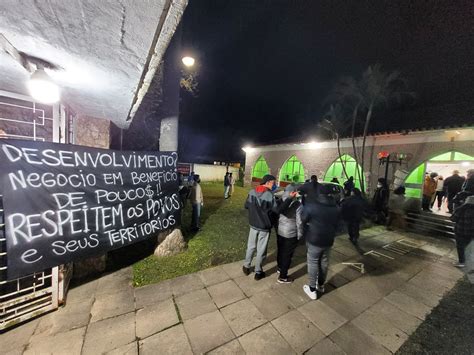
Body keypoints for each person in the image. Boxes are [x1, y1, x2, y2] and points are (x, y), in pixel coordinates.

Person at [297, 184, 341, 300]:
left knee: (313, 262)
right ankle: (321, 285)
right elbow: (338, 225)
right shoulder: (336, 207)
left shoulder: (313, 206)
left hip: (314, 238)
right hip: (328, 239)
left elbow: (303, 218)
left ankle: (312, 289)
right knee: (324, 262)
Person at [243, 174, 278, 280]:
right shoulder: (270, 196)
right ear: (267, 182)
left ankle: (246, 266)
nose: (274, 185)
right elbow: (276, 211)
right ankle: (258, 272)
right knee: (261, 249)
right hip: (264, 226)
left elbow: (246, 206)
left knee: (251, 246)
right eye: (273, 182)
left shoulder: (252, 192)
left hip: (253, 224)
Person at [274, 184, 300, 283]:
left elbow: (276, 215)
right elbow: (300, 222)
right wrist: (300, 234)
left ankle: (280, 268)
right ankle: (283, 277)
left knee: (280, 251)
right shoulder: (296, 203)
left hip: (280, 231)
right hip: (291, 233)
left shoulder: (280, 200)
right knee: (287, 255)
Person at [450, 195, 474, 268]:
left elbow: (453, 218)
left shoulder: (461, 209)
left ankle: (462, 262)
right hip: (471, 233)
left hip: (460, 231)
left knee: (460, 247)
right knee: (469, 248)